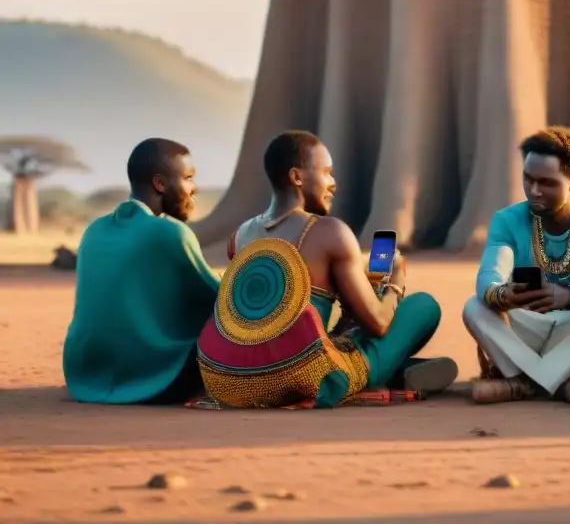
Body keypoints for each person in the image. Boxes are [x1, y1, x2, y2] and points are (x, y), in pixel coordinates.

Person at [196, 130, 457, 408]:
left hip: (237, 378)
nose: (333, 184)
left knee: (342, 334)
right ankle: (394, 371)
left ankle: (400, 369)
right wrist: (395, 279)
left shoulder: (239, 237)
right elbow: (378, 323)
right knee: (423, 307)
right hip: (306, 376)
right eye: (327, 173)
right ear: (297, 177)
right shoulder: (329, 232)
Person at [462, 126, 570, 408]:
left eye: (547, 182)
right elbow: (488, 276)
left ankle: (521, 384)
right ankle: (561, 383)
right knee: (474, 306)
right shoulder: (507, 219)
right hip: (524, 330)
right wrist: (503, 294)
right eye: (528, 179)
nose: (534, 190)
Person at [63, 138, 220, 404]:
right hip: (151, 376)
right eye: (189, 178)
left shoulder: (94, 230)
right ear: (160, 184)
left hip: (84, 373)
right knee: (236, 325)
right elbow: (217, 298)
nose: (194, 188)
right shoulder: (170, 232)